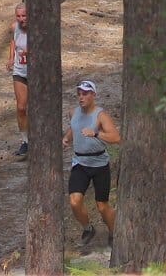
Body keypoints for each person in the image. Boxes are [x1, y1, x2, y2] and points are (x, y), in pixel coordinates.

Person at [62, 80, 121, 248]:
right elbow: (74, 127)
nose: (81, 97)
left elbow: (116, 138)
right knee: (74, 201)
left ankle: (113, 232)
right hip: (79, 162)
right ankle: (88, 228)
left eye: (86, 93)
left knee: (102, 206)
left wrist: (96, 133)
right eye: (79, 93)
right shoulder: (73, 112)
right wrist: (67, 138)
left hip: (100, 164)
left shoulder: (101, 115)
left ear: (93, 95)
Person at [5, 3, 30, 157]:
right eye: (18, 16)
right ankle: (25, 141)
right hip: (20, 71)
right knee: (21, 107)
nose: (21, 19)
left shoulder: (39, 29)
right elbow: (13, 41)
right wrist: (11, 58)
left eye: (24, 15)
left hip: (36, 73)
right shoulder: (14, 27)